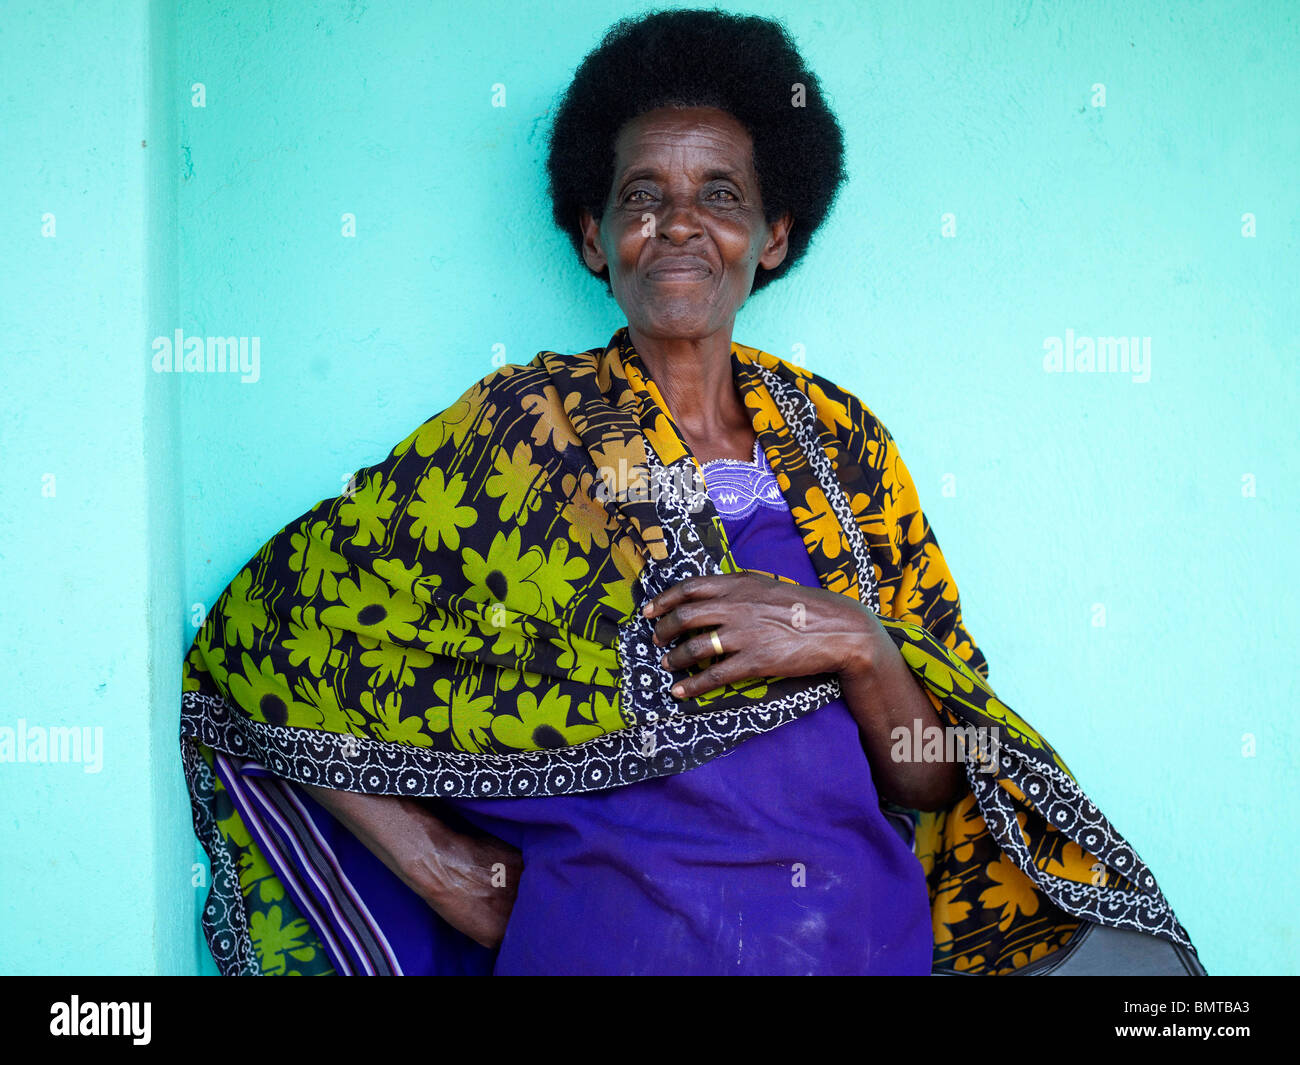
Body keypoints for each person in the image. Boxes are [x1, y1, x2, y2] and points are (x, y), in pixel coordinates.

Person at [180, 8, 1203, 976]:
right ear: (592, 238)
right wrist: (445, 868)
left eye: (720, 195)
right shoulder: (514, 434)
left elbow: (937, 772)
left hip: (860, 947)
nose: (677, 224)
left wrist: (853, 638)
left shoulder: (844, 447)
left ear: (772, 237)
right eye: (641, 196)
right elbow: (253, 642)